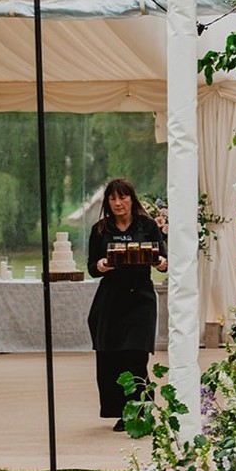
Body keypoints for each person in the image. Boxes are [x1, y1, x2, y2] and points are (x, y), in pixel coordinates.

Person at [86, 178, 167, 430]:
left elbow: (163, 260)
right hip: (110, 301)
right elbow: (91, 267)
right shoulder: (100, 230)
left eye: (123, 197)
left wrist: (160, 263)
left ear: (132, 199)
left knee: (136, 355)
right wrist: (101, 265)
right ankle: (122, 409)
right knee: (113, 358)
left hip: (141, 299)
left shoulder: (148, 225)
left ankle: (139, 409)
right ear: (107, 203)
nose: (118, 203)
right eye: (112, 198)